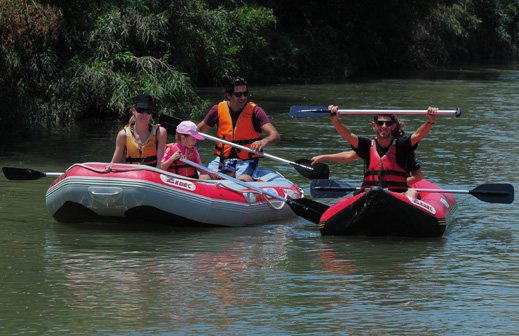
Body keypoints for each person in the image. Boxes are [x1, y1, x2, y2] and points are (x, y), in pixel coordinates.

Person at [317, 105, 438, 197]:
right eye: (380, 123)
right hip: (371, 195)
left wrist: (430, 121)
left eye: (388, 123)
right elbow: (348, 135)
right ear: (374, 125)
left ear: (393, 126)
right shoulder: (367, 145)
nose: (384, 126)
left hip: (397, 195)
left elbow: (418, 135)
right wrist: (335, 121)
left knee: (412, 192)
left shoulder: (402, 145)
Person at [197, 76, 280, 182]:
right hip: (224, 159)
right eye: (238, 94)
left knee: (243, 182)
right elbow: (200, 130)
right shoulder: (217, 109)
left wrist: (264, 141)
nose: (243, 98)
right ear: (228, 95)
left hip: (247, 160)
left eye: (245, 94)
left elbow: (275, 135)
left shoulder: (256, 111)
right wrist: (187, 132)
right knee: (203, 178)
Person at [111, 93, 167, 168]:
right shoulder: (123, 135)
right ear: (133, 110)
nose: (144, 114)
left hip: (152, 174)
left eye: (148, 111)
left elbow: (160, 165)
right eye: (140, 110)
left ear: (151, 113)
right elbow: (114, 163)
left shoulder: (160, 133)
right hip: (132, 175)